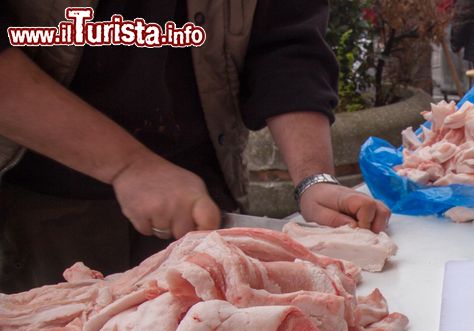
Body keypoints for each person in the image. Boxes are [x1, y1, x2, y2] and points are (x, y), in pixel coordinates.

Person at [0, 1, 390, 294]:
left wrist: (313, 179)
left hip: (202, 203)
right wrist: (127, 166)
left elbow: (286, 41)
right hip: (37, 209)